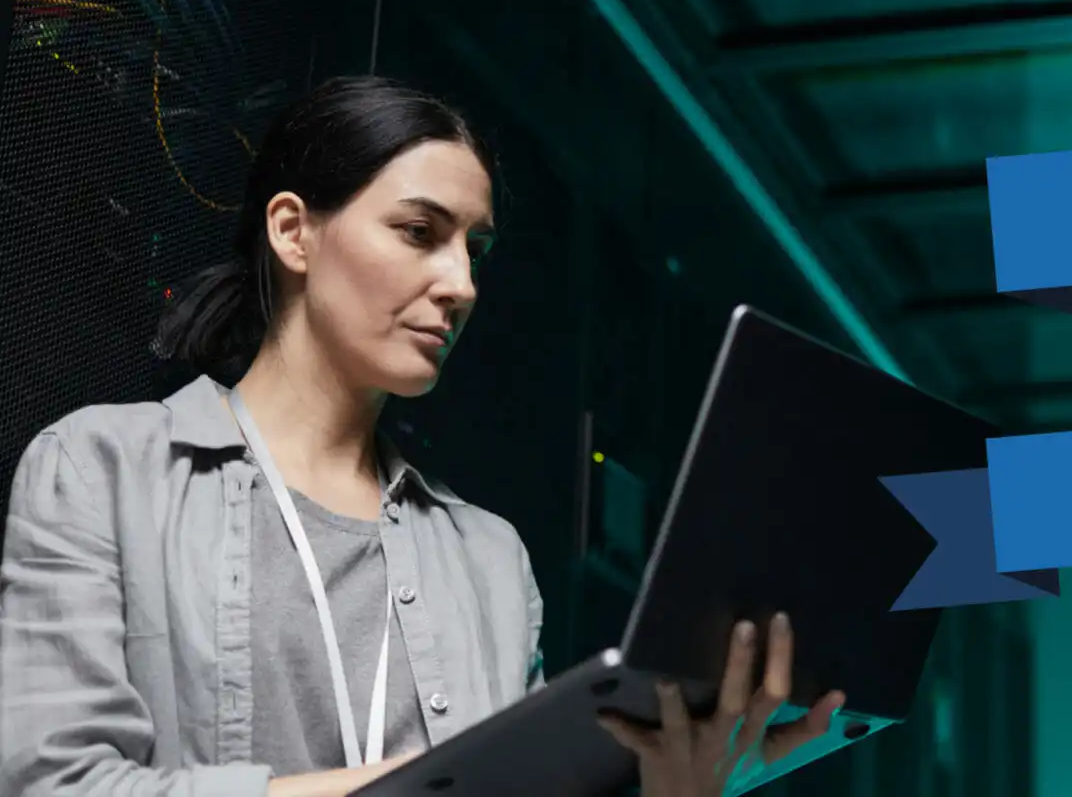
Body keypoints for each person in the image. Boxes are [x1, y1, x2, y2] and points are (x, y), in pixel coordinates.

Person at [0, 76, 842, 797]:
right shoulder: (101, 468)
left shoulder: (489, 559)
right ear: (293, 231)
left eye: (474, 249)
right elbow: (51, 787)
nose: (462, 284)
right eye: (419, 233)